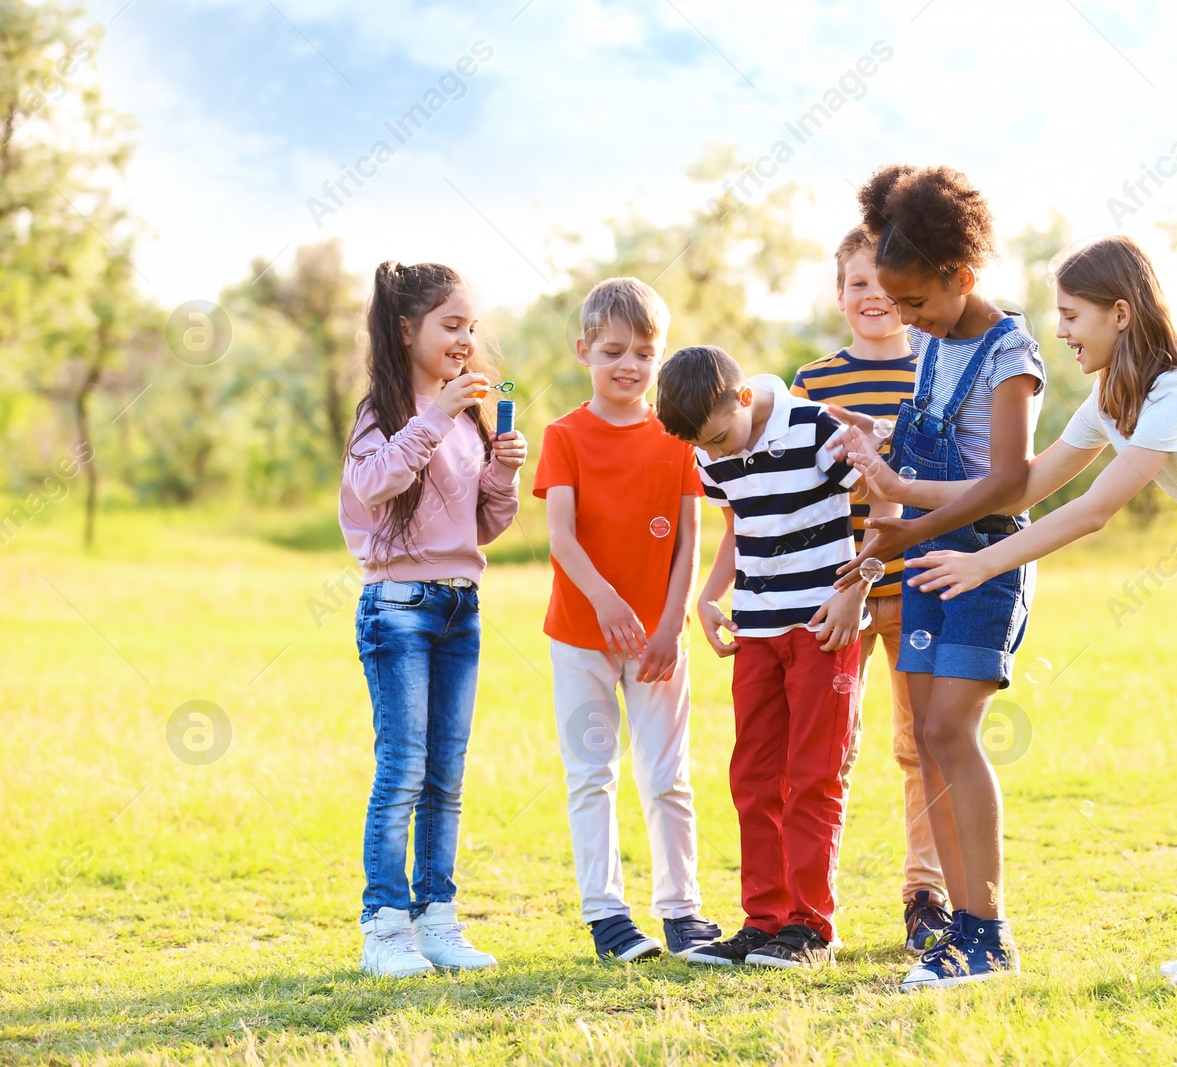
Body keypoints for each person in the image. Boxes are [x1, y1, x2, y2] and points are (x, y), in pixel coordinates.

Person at [856, 234, 1177, 992]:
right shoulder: (1112, 397)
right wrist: (906, 495)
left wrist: (984, 560)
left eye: (1072, 315)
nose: (1060, 331)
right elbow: (1023, 487)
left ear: (1121, 314)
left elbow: (1091, 511)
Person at [833, 164, 1045, 990]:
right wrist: (876, 439)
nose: (907, 321)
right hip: (923, 555)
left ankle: (989, 929)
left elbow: (1007, 480)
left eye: (917, 303)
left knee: (953, 731)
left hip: (981, 559)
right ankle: (962, 926)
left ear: (962, 275)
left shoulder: (1010, 354)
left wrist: (902, 529)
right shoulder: (937, 337)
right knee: (925, 736)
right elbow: (930, 439)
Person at [340, 260, 526, 977]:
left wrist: (502, 469)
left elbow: (482, 527)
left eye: (471, 327)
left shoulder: (466, 417)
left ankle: (436, 918)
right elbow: (374, 484)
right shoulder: (383, 412)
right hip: (398, 609)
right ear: (406, 328)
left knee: (447, 775)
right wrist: (438, 413)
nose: (465, 339)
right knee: (403, 769)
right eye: (452, 325)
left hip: (459, 606)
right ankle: (384, 927)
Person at [657, 344, 870, 970]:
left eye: (723, 438)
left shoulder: (813, 429)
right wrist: (709, 595)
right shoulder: (709, 450)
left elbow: (883, 502)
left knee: (812, 775)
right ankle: (766, 919)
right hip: (756, 630)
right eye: (708, 448)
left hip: (821, 628)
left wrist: (856, 590)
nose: (719, 455)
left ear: (744, 397)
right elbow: (739, 529)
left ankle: (811, 927)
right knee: (752, 776)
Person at [533, 277, 722, 963]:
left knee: (668, 773)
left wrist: (671, 623)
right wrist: (607, 599)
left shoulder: (677, 439)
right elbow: (562, 536)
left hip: (657, 643)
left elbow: (689, 538)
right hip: (580, 637)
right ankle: (607, 915)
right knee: (592, 772)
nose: (629, 365)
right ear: (584, 348)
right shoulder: (564, 435)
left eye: (645, 352)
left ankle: (682, 911)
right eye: (613, 350)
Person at [790, 225, 950, 952]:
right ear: (839, 293)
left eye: (885, 285)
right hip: (837, 589)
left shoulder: (938, 369)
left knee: (923, 746)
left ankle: (927, 895)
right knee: (828, 749)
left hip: (920, 582)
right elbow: (792, 491)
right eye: (858, 283)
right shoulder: (814, 382)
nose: (873, 297)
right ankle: (807, 905)